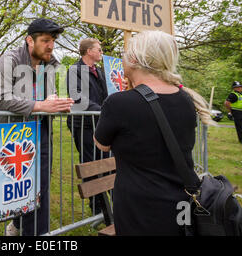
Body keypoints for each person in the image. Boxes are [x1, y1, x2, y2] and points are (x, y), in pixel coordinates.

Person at [93, 30, 216, 236]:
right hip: (180, 203)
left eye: (124, 53)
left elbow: (102, 144)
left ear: (133, 58)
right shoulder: (186, 99)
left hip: (140, 209)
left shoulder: (119, 103)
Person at [0, 18, 74, 236]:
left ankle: (27, 230)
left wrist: (57, 104)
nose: (51, 46)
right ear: (29, 40)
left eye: (53, 41)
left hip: (41, 131)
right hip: (14, 134)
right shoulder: (10, 59)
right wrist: (41, 105)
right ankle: (22, 227)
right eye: (46, 40)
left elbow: (46, 98)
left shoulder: (49, 64)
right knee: (20, 186)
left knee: (41, 187)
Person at [66, 38, 109, 214]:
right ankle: (97, 209)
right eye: (99, 49)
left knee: (108, 163)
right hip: (83, 125)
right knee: (90, 165)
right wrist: (104, 111)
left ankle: (111, 206)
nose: (101, 52)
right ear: (89, 51)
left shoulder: (100, 71)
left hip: (101, 123)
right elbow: (78, 99)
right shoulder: (75, 70)